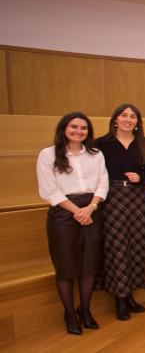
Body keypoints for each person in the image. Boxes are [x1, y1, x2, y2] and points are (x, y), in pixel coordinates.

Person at [37, 112, 108, 335]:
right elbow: (49, 190)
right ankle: (69, 312)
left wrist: (91, 208)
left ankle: (85, 309)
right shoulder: (48, 154)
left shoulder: (96, 154)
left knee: (89, 264)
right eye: (74, 127)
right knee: (66, 266)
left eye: (83, 128)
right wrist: (77, 211)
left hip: (91, 210)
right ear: (64, 129)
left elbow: (103, 183)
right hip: (63, 213)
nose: (79, 131)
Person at [94, 104, 145, 321]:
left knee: (136, 245)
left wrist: (142, 178)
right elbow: (95, 174)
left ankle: (130, 294)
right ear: (115, 119)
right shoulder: (102, 143)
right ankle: (119, 298)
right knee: (117, 246)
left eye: (133, 117)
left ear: (137, 122)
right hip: (113, 199)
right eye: (124, 115)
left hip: (138, 199)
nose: (128, 119)